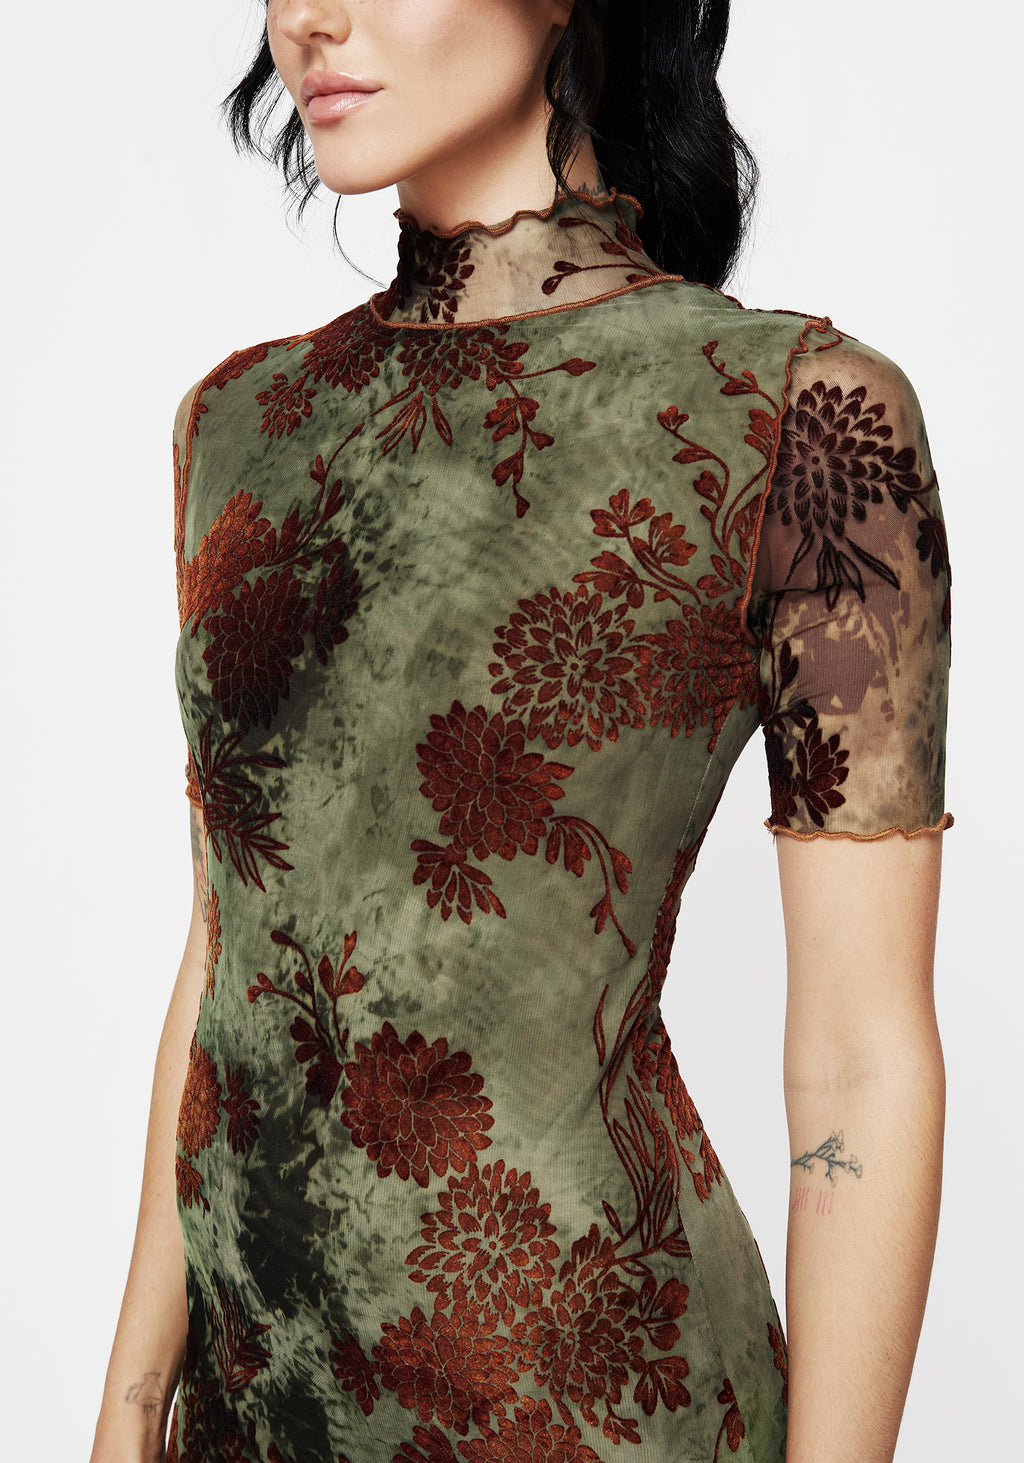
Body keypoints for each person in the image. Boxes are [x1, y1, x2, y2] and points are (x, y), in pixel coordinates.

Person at [89, 2, 952, 1460]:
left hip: (583, 1405)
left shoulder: (798, 420)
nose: (307, 19)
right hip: (253, 1413)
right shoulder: (237, 425)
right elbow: (230, 941)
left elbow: (862, 1056)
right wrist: (129, 1401)